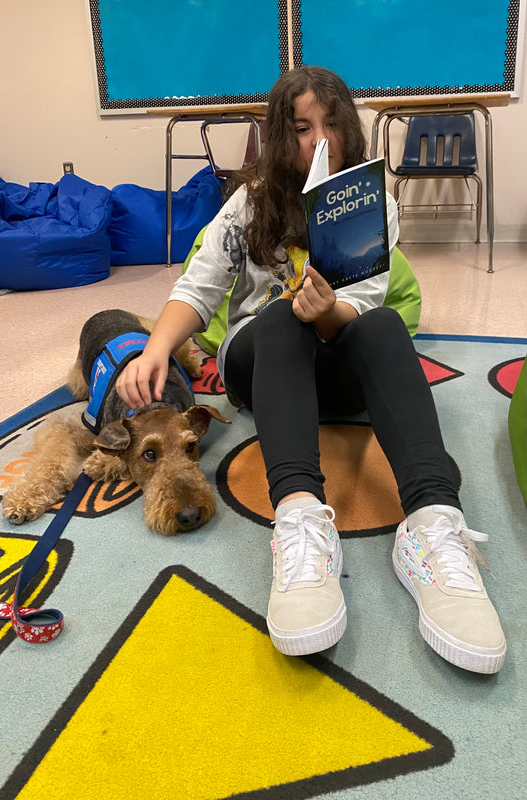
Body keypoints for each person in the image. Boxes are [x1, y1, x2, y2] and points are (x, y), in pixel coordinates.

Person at [116, 66, 506, 674]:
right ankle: (300, 522)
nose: (318, 143)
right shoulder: (249, 201)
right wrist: (156, 348)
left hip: (341, 367)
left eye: (330, 126)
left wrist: (328, 313)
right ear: (279, 135)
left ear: (350, 130)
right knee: (278, 317)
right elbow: (199, 287)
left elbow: (366, 307)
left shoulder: (375, 204)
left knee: (381, 325)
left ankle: (433, 529)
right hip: (264, 365)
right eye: (300, 129)